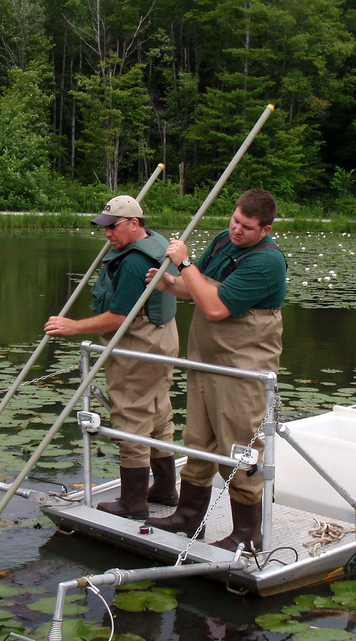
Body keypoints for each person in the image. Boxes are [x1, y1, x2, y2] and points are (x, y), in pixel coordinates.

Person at [142, 189, 286, 551]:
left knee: (239, 445)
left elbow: (217, 308)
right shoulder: (224, 241)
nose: (237, 231)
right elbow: (198, 287)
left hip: (241, 369)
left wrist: (185, 265)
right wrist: (170, 283)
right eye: (235, 221)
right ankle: (189, 517)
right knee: (198, 440)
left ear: (265, 229)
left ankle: (247, 534)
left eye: (247, 227)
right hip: (206, 361)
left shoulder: (267, 262)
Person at [45, 195, 179, 519]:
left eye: (113, 227)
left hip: (139, 344)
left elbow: (121, 317)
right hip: (163, 339)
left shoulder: (134, 262)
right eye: (104, 227)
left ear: (135, 224)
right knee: (158, 410)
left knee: (131, 414)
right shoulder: (153, 243)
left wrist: (74, 326)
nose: (107, 234)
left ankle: (133, 503)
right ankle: (164, 488)